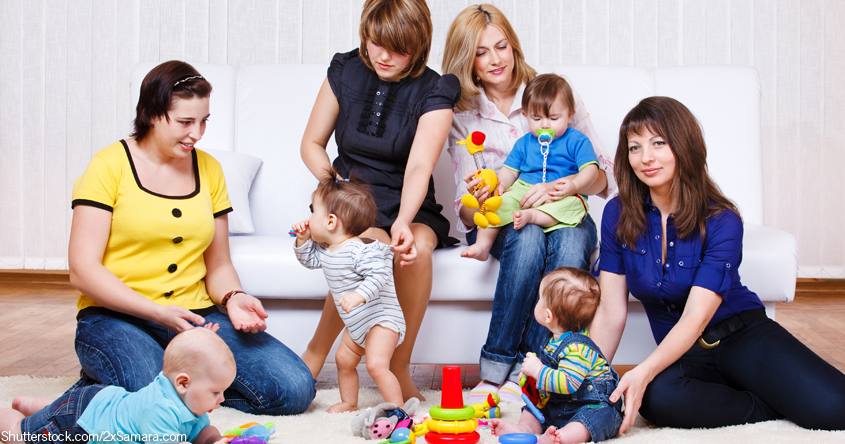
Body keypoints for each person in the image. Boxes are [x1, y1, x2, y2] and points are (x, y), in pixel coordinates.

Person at [67, 60, 314, 415]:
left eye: (203, 121)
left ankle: (141, 391)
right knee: (156, 397)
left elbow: (219, 264)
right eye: (185, 122)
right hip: (115, 316)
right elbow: (83, 270)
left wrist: (234, 296)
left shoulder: (210, 169)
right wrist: (157, 312)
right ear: (152, 114)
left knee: (294, 389)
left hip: (194, 317)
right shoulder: (108, 166)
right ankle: (113, 391)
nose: (197, 134)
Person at [591, 96, 845, 433]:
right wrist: (583, 376)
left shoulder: (722, 219)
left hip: (742, 336)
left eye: (658, 143)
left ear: (684, 146)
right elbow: (610, 312)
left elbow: (697, 316)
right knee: (656, 397)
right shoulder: (617, 213)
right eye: (634, 147)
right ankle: (766, 405)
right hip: (686, 355)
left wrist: (644, 368)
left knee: (833, 409)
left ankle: (778, 392)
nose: (645, 158)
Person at [442, 4, 612, 403]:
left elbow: (603, 179)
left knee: (571, 242)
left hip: (567, 211)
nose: (496, 59)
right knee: (530, 233)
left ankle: (538, 368)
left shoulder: (552, 94)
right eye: (481, 52)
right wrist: (484, 196)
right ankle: (497, 365)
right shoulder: (462, 114)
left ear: (514, 47)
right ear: (468, 59)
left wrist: (568, 186)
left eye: (501, 46)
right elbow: (464, 208)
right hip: (503, 219)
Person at [299, 0, 460, 401]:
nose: (385, 57)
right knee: (361, 248)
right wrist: (335, 191)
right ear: (365, 36)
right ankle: (316, 352)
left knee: (417, 249)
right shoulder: (345, 69)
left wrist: (404, 219)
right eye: (376, 43)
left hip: (410, 200)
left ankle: (398, 364)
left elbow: (420, 166)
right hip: (354, 199)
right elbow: (312, 143)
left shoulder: (436, 88)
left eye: (399, 48)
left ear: (420, 45)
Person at [292, 170, 407, 413]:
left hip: (381, 319)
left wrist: (358, 295)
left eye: (313, 211)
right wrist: (302, 240)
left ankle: (399, 410)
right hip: (356, 323)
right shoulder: (326, 249)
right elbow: (309, 260)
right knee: (343, 361)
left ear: (331, 222)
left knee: (376, 364)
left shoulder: (360, 250)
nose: (309, 217)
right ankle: (349, 402)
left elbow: (380, 274)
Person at [1, 328, 235, 444]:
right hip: (82, 422)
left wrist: (215, 440)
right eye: (215, 392)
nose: (222, 399)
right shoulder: (159, 410)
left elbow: (202, 433)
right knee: (19, 436)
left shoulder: (192, 404)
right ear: (182, 383)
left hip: (99, 402)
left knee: (59, 409)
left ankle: (33, 405)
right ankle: (11, 416)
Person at [462, 74, 599, 262]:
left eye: (553, 118)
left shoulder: (577, 140)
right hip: (524, 191)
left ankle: (532, 216)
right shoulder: (524, 142)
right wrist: (500, 186)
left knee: (573, 207)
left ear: (570, 116)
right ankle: (483, 244)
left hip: (562, 192)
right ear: (525, 115)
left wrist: (574, 186)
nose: (545, 125)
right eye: (536, 118)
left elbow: (590, 169)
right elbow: (510, 170)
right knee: (498, 205)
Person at [490, 268, 622, 444]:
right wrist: (530, 377)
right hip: (561, 405)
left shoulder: (578, 348)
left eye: (540, 300)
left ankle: (562, 438)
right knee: (533, 409)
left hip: (592, 404)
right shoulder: (553, 341)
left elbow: (569, 383)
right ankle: (525, 429)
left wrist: (538, 370)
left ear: (548, 315)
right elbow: (550, 380)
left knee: (589, 421)